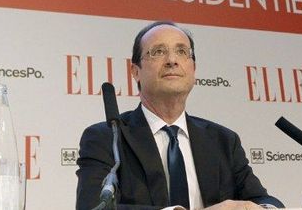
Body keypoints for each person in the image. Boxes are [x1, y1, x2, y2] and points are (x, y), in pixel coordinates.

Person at [76, 21, 285, 210]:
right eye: (158, 52)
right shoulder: (107, 137)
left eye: (182, 52)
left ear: (193, 68)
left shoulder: (223, 140)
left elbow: (264, 200)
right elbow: (93, 208)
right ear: (135, 71)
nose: (172, 60)